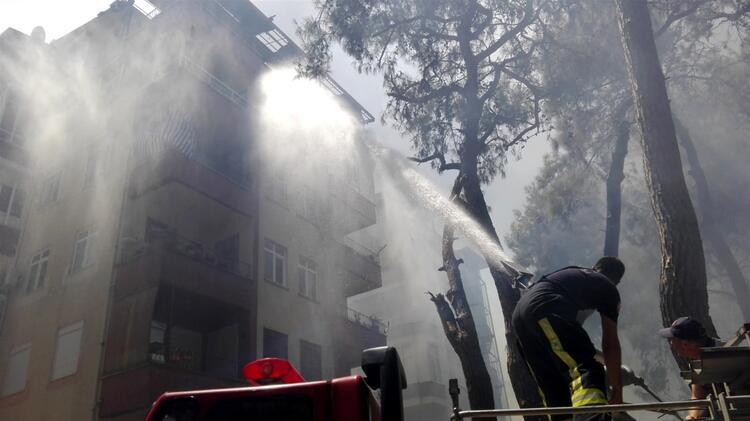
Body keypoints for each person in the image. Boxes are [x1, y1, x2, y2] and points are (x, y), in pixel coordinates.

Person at [512, 257, 625, 421]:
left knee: (553, 383)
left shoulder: (574, 274)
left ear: (594, 267)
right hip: (545, 308)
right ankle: (591, 416)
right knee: (587, 368)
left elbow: (568, 333)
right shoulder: (609, 289)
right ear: (617, 281)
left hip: (520, 317)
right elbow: (610, 344)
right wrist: (617, 388)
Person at [659, 317, 721, 420]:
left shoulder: (726, 352)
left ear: (685, 344)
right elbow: (697, 396)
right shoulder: (695, 362)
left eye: (673, 339)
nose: (671, 343)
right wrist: (692, 416)